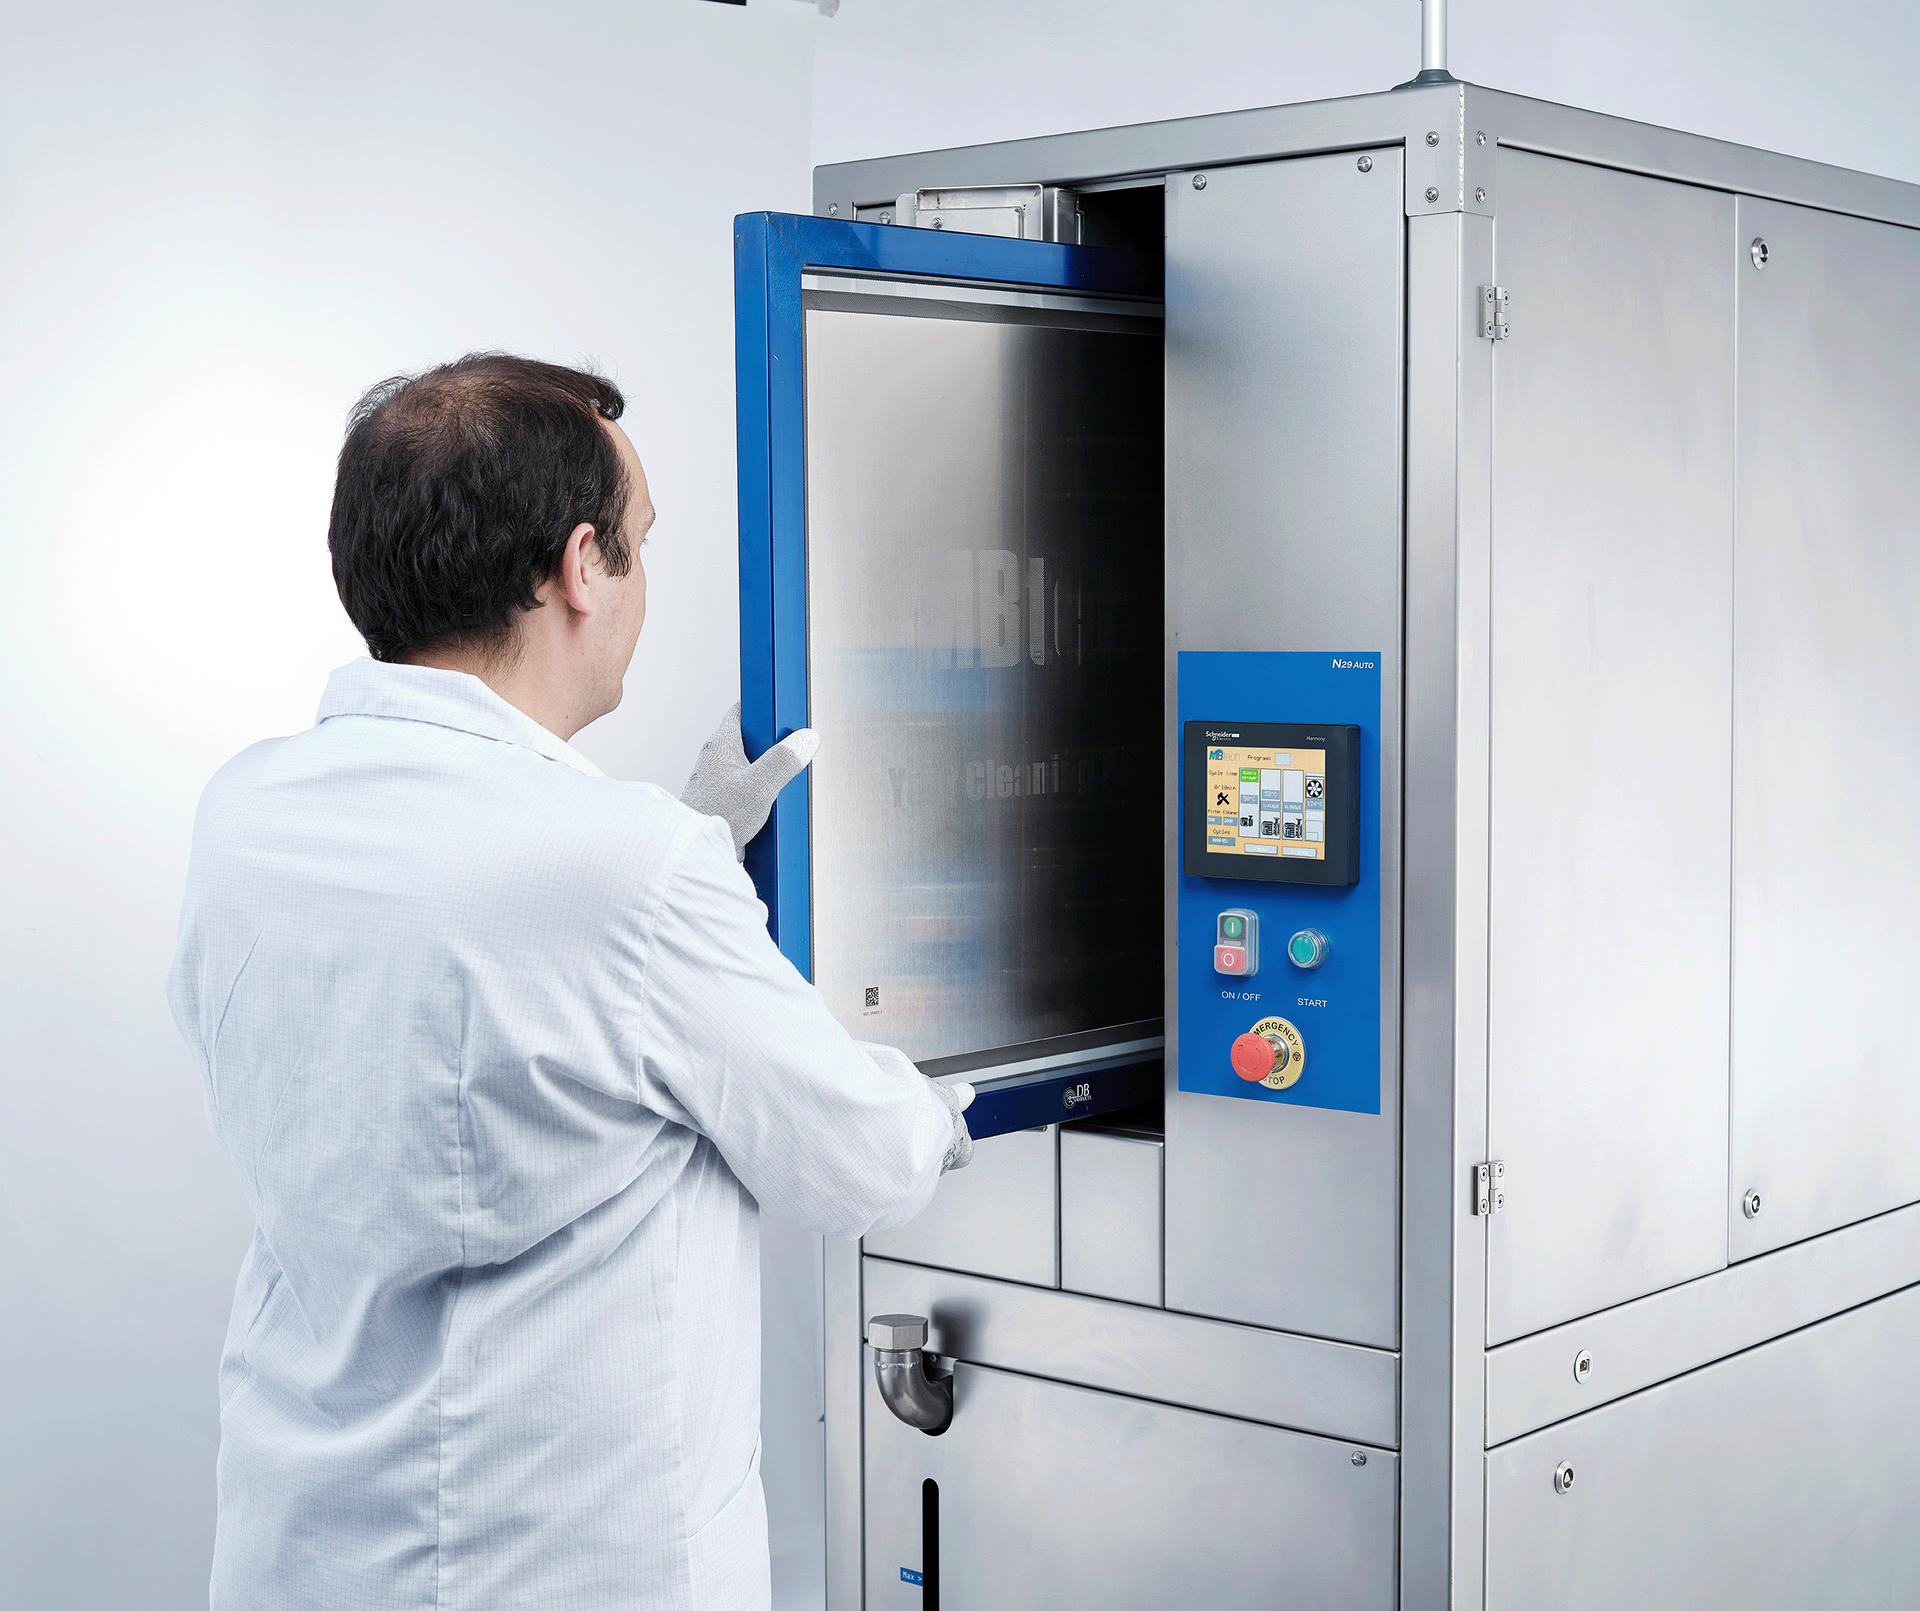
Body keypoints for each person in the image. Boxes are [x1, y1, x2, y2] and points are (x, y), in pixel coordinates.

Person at [165, 353, 972, 1611]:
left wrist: (697, 850)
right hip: (558, 1568)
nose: (645, 584)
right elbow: (858, 1162)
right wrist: (960, 1089)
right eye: (641, 543)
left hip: (304, 1552)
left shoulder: (245, 812)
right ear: (581, 565)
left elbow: (463, 1005)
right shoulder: (627, 871)